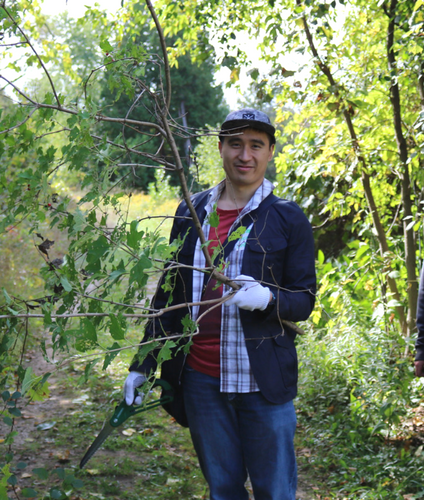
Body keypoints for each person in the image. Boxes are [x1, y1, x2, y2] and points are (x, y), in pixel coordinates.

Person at [123, 109, 316, 499]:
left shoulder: (287, 218)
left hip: (262, 382)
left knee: (274, 491)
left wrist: (269, 298)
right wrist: (142, 364)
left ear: (270, 152)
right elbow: (169, 296)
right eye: (235, 144)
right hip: (201, 382)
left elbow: (303, 300)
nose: (245, 155)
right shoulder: (190, 212)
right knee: (223, 490)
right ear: (221, 148)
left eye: (256, 145)